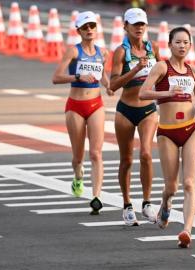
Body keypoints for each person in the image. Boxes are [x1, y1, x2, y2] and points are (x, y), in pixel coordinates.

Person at [139, 26, 195, 248]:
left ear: (190, 45)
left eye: (186, 42)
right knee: (172, 187)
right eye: (178, 42)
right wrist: (167, 93)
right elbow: (143, 93)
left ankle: (186, 230)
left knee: (189, 183)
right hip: (167, 131)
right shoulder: (161, 67)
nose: (182, 46)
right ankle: (165, 203)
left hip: (190, 129)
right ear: (170, 44)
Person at [52, 11, 110, 215]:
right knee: (78, 156)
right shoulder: (73, 52)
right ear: (78, 30)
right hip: (75, 105)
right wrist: (77, 76)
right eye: (85, 27)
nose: (89, 30)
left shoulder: (103, 52)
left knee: (96, 153)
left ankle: (96, 197)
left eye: (92, 26)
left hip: (96, 104)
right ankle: (78, 177)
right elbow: (56, 77)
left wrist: (109, 85)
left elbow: (102, 74)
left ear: (96, 29)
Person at [109, 8, 160, 226]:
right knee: (127, 159)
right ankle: (127, 204)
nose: (139, 28)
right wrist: (135, 70)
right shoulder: (121, 52)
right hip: (126, 110)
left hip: (148, 109)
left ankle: (147, 202)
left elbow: (163, 74)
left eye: (142, 24)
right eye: (134, 24)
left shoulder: (152, 48)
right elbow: (113, 85)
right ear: (126, 27)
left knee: (147, 154)